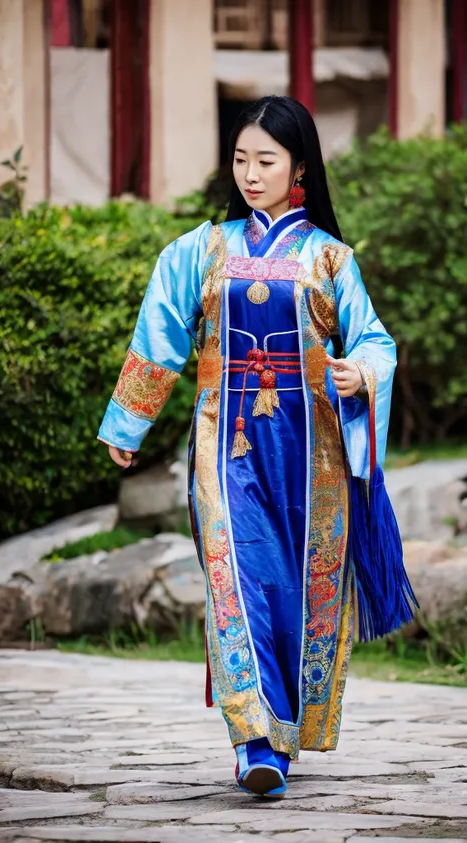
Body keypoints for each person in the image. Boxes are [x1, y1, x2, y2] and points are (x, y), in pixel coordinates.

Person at [97, 96, 417, 799]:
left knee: (293, 585)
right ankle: (254, 738)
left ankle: (286, 721)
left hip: (313, 452)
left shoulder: (330, 258)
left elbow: (373, 341)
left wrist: (358, 371)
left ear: (299, 167)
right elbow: (160, 327)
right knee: (234, 578)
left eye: (265, 160)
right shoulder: (203, 250)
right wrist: (128, 422)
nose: (250, 173)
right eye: (241, 159)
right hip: (225, 443)